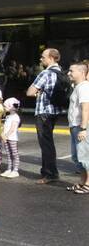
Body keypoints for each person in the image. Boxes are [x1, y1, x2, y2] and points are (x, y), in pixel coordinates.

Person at [26, 48, 66, 184]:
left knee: (46, 144)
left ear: (51, 58)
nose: (41, 59)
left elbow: (30, 92)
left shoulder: (46, 73)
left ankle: (50, 173)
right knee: (48, 142)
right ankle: (50, 171)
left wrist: (38, 91)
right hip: (54, 111)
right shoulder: (60, 71)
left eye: (43, 57)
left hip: (43, 111)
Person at [68, 62, 89, 194]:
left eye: (71, 71)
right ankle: (82, 182)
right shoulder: (78, 87)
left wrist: (84, 128)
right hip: (74, 126)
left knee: (85, 156)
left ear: (81, 73)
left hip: (80, 127)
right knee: (77, 157)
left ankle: (88, 184)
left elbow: (86, 108)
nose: (68, 73)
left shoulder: (84, 87)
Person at [0, 97, 21, 178]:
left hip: (12, 138)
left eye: (5, 106)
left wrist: (6, 135)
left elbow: (13, 129)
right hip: (6, 138)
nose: (4, 108)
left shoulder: (15, 117)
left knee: (14, 154)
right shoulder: (8, 116)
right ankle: (9, 169)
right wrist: (3, 134)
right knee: (9, 154)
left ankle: (15, 170)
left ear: (11, 107)